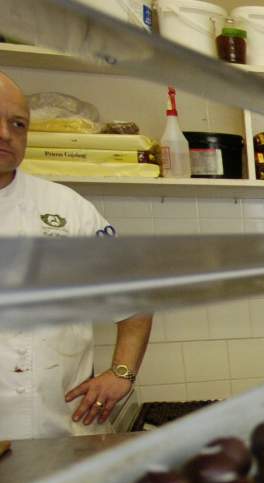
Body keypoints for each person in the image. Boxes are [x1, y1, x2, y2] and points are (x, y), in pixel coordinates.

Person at [0, 71, 152, 440]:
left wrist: (122, 373)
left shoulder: (66, 207)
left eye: (17, 124)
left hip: (64, 427)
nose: (6, 133)